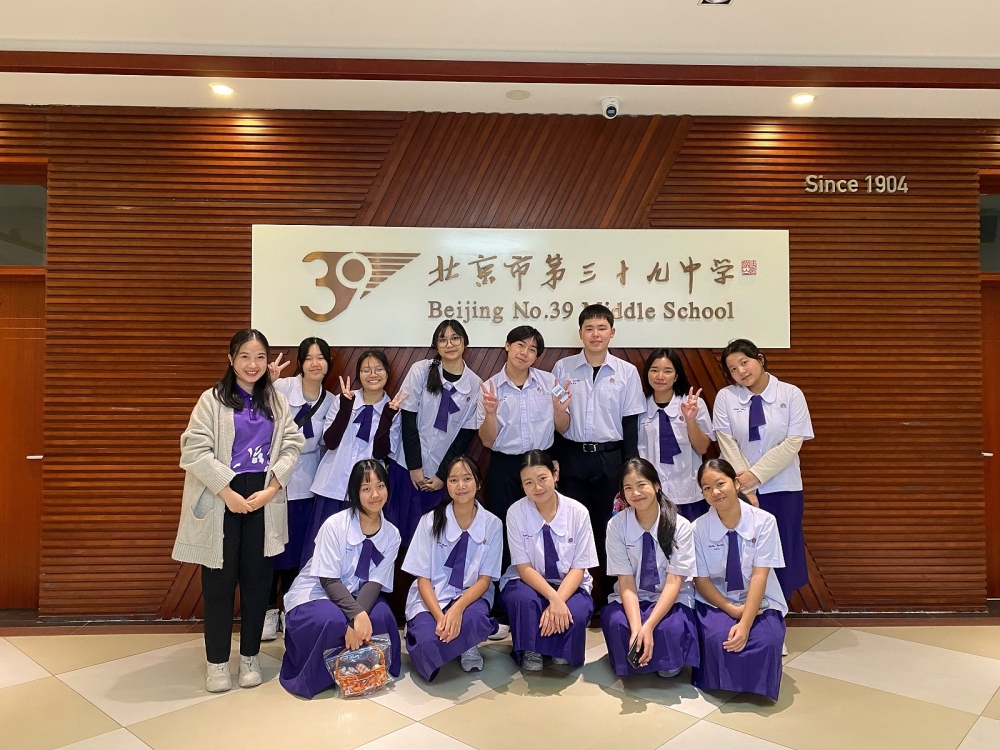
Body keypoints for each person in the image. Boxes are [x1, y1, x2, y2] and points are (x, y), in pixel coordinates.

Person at [173, 329, 305, 693]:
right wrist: (226, 491)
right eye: (245, 356)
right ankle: (217, 663)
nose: (253, 364)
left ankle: (249, 657)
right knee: (218, 583)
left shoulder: (275, 400)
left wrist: (273, 487)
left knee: (257, 583)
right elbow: (193, 450)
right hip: (222, 497)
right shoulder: (212, 400)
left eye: (260, 357)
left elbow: (293, 443)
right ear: (231, 359)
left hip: (263, 495)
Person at [279, 459, 402, 699]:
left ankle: (366, 671)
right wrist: (355, 616)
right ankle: (320, 677)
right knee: (332, 620)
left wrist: (358, 617)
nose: (375, 495)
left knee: (381, 617)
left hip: (357, 593)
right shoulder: (335, 525)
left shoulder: (392, 534)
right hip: (317, 592)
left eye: (380, 486)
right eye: (366, 488)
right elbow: (328, 580)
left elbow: (374, 582)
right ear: (355, 492)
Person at [551, 304, 645, 604]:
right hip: (572, 457)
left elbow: (630, 423)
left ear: (612, 332)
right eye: (589, 328)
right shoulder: (563, 368)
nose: (595, 334)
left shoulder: (626, 372)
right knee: (572, 528)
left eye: (601, 328)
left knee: (610, 529)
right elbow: (556, 420)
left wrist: (630, 469)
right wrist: (555, 460)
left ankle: (609, 599)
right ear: (580, 333)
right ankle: (576, 597)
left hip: (611, 459)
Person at [478, 325, 565, 639]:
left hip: (540, 464)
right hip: (504, 466)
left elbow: (564, 426)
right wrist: (490, 413)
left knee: (544, 533)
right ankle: (503, 613)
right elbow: (487, 441)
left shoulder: (550, 383)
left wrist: (559, 412)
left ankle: (546, 601)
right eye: (520, 345)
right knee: (503, 535)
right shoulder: (489, 387)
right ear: (507, 346)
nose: (525, 353)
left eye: (532, 349)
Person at [712, 339, 814, 600]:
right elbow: (726, 442)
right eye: (733, 369)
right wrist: (746, 487)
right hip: (740, 491)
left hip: (783, 487)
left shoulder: (791, 394)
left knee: (783, 549)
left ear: (759, 359)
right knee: (745, 553)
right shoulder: (726, 397)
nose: (741, 371)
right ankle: (748, 612)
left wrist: (755, 476)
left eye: (744, 362)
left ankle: (778, 612)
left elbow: (792, 443)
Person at [691, 459, 786, 701]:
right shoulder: (697, 528)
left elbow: (760, 575)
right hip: (717, 599)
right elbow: (701, 581)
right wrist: (731, 609)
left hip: (759, 599)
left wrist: (744, 623)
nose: (715, 492)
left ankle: (758, 686)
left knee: (766, 640)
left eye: (720, 484)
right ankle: (720, 683)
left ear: (735, 483)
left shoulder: (764, 522)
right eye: (707, 488)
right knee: (718, 638)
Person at [402, 457, 503, 681]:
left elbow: (484, 580)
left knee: (475, 618)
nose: (461, 486)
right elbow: (423, 579)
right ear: (446, 484)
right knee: (426, 641)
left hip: (471, 596)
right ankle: (457, 638)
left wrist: (457, 609)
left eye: (467, 479)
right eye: (454, 480)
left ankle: (467, 643)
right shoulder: (430, 521)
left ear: (478, 483)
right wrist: (440, 617)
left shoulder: (493, 524)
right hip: (432, 596)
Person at [262, 337, 334, 641]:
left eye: (321, 357)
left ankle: (291, 608)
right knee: (271, 548)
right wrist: (267, 381)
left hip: (308, 485)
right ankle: (268, 611)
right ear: (301, 362)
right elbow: (257, 414)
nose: (315, 363)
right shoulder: (282, 387)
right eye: (309, 358)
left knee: (298, 553)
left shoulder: (331, 401)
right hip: (274, 481)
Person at [500, 450, 598, 671]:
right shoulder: (515, 512)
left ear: (555, 474)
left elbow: (578, 569)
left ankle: (559, 648)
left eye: (542, 478)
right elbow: (524, 568)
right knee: (524, 600)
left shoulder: (578, 512)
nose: (537, 487)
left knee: (576, 610)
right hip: (528, 581)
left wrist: (558, 600)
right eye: (528, 483)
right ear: (522, 486)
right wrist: (554, 599)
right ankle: (531, 648)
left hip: (569, 582)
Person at [388, 320, 483, 546]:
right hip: (405, 466)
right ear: (436, 345)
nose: (449, 344)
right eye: (443, 339)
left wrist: (442, 476)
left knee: (431, 539)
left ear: (465, 342)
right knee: (395, 533)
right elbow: (408, 420)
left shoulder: (475, 385)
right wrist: (414, 467)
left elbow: (464, 437)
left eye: (455, 338)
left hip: (440, 476)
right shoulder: (421, 370)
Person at [601, 458, 699, 678]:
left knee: (669, 627)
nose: (635, 493)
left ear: (656, 485)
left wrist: (649, 625)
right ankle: (640, 657)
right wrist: (637, 627)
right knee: (618, 623)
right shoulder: (616, 525)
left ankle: (667, 660)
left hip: (671, 597)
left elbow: (674, 582)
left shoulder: (680, 525)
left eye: (641, 485)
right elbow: (625, 580)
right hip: (633, 595)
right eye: (628, 488)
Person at [304, 349, 403, 564]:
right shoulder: (344, 400)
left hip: (366, 494)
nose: (373, 374)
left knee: (353, 556)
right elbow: (330, 442)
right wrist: (345, 409)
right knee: (320, 553)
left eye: (378, 369)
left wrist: (387, 417)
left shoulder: (393, 409)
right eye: (366, 370)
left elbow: (380, 453)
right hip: (332, 487)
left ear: (387, 372)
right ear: (358, 374)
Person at [637, 348, 714, 523]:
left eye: (667, 371)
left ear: (676, 376)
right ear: (647, 373)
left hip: (689, 491)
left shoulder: (693, 403)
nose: (660, 376)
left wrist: (690, 419)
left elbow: (702, 448)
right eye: (654, 370)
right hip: (652, 493)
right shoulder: (639, 407)